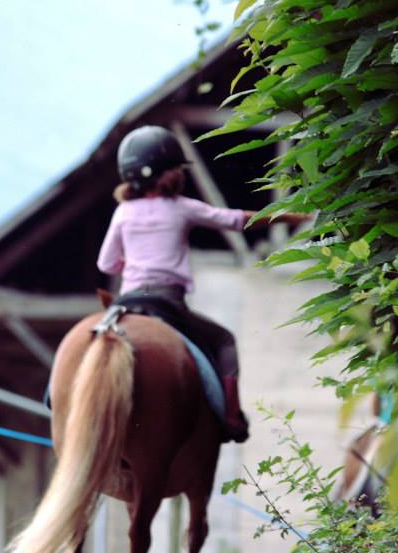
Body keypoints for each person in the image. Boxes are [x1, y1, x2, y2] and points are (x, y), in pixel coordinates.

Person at [96, 125, 311, 443]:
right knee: (224, 341)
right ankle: (232, 417)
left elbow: (106, 264)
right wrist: (289, 216)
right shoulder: (182, 207)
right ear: (169, 173)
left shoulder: (123, 213)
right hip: (167, 302)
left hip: (126, 302)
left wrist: (131, 263)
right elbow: (235, 219)